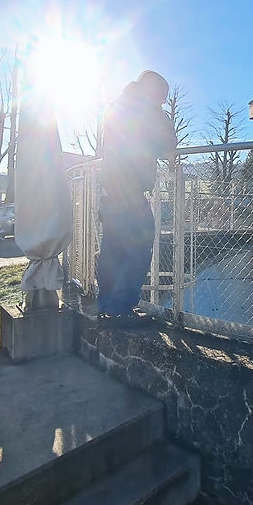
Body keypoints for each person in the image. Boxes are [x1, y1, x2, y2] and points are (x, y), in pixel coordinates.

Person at [95, 70, 177, 325]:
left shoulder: (118, 107)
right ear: (152, 92)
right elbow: (167, 143)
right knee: (139, 245)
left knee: (113, 247)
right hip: (128, 190)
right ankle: (122, 308)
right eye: (162, 97)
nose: (163, 102)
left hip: (111, 189)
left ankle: (108, 306)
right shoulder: (147, 112)